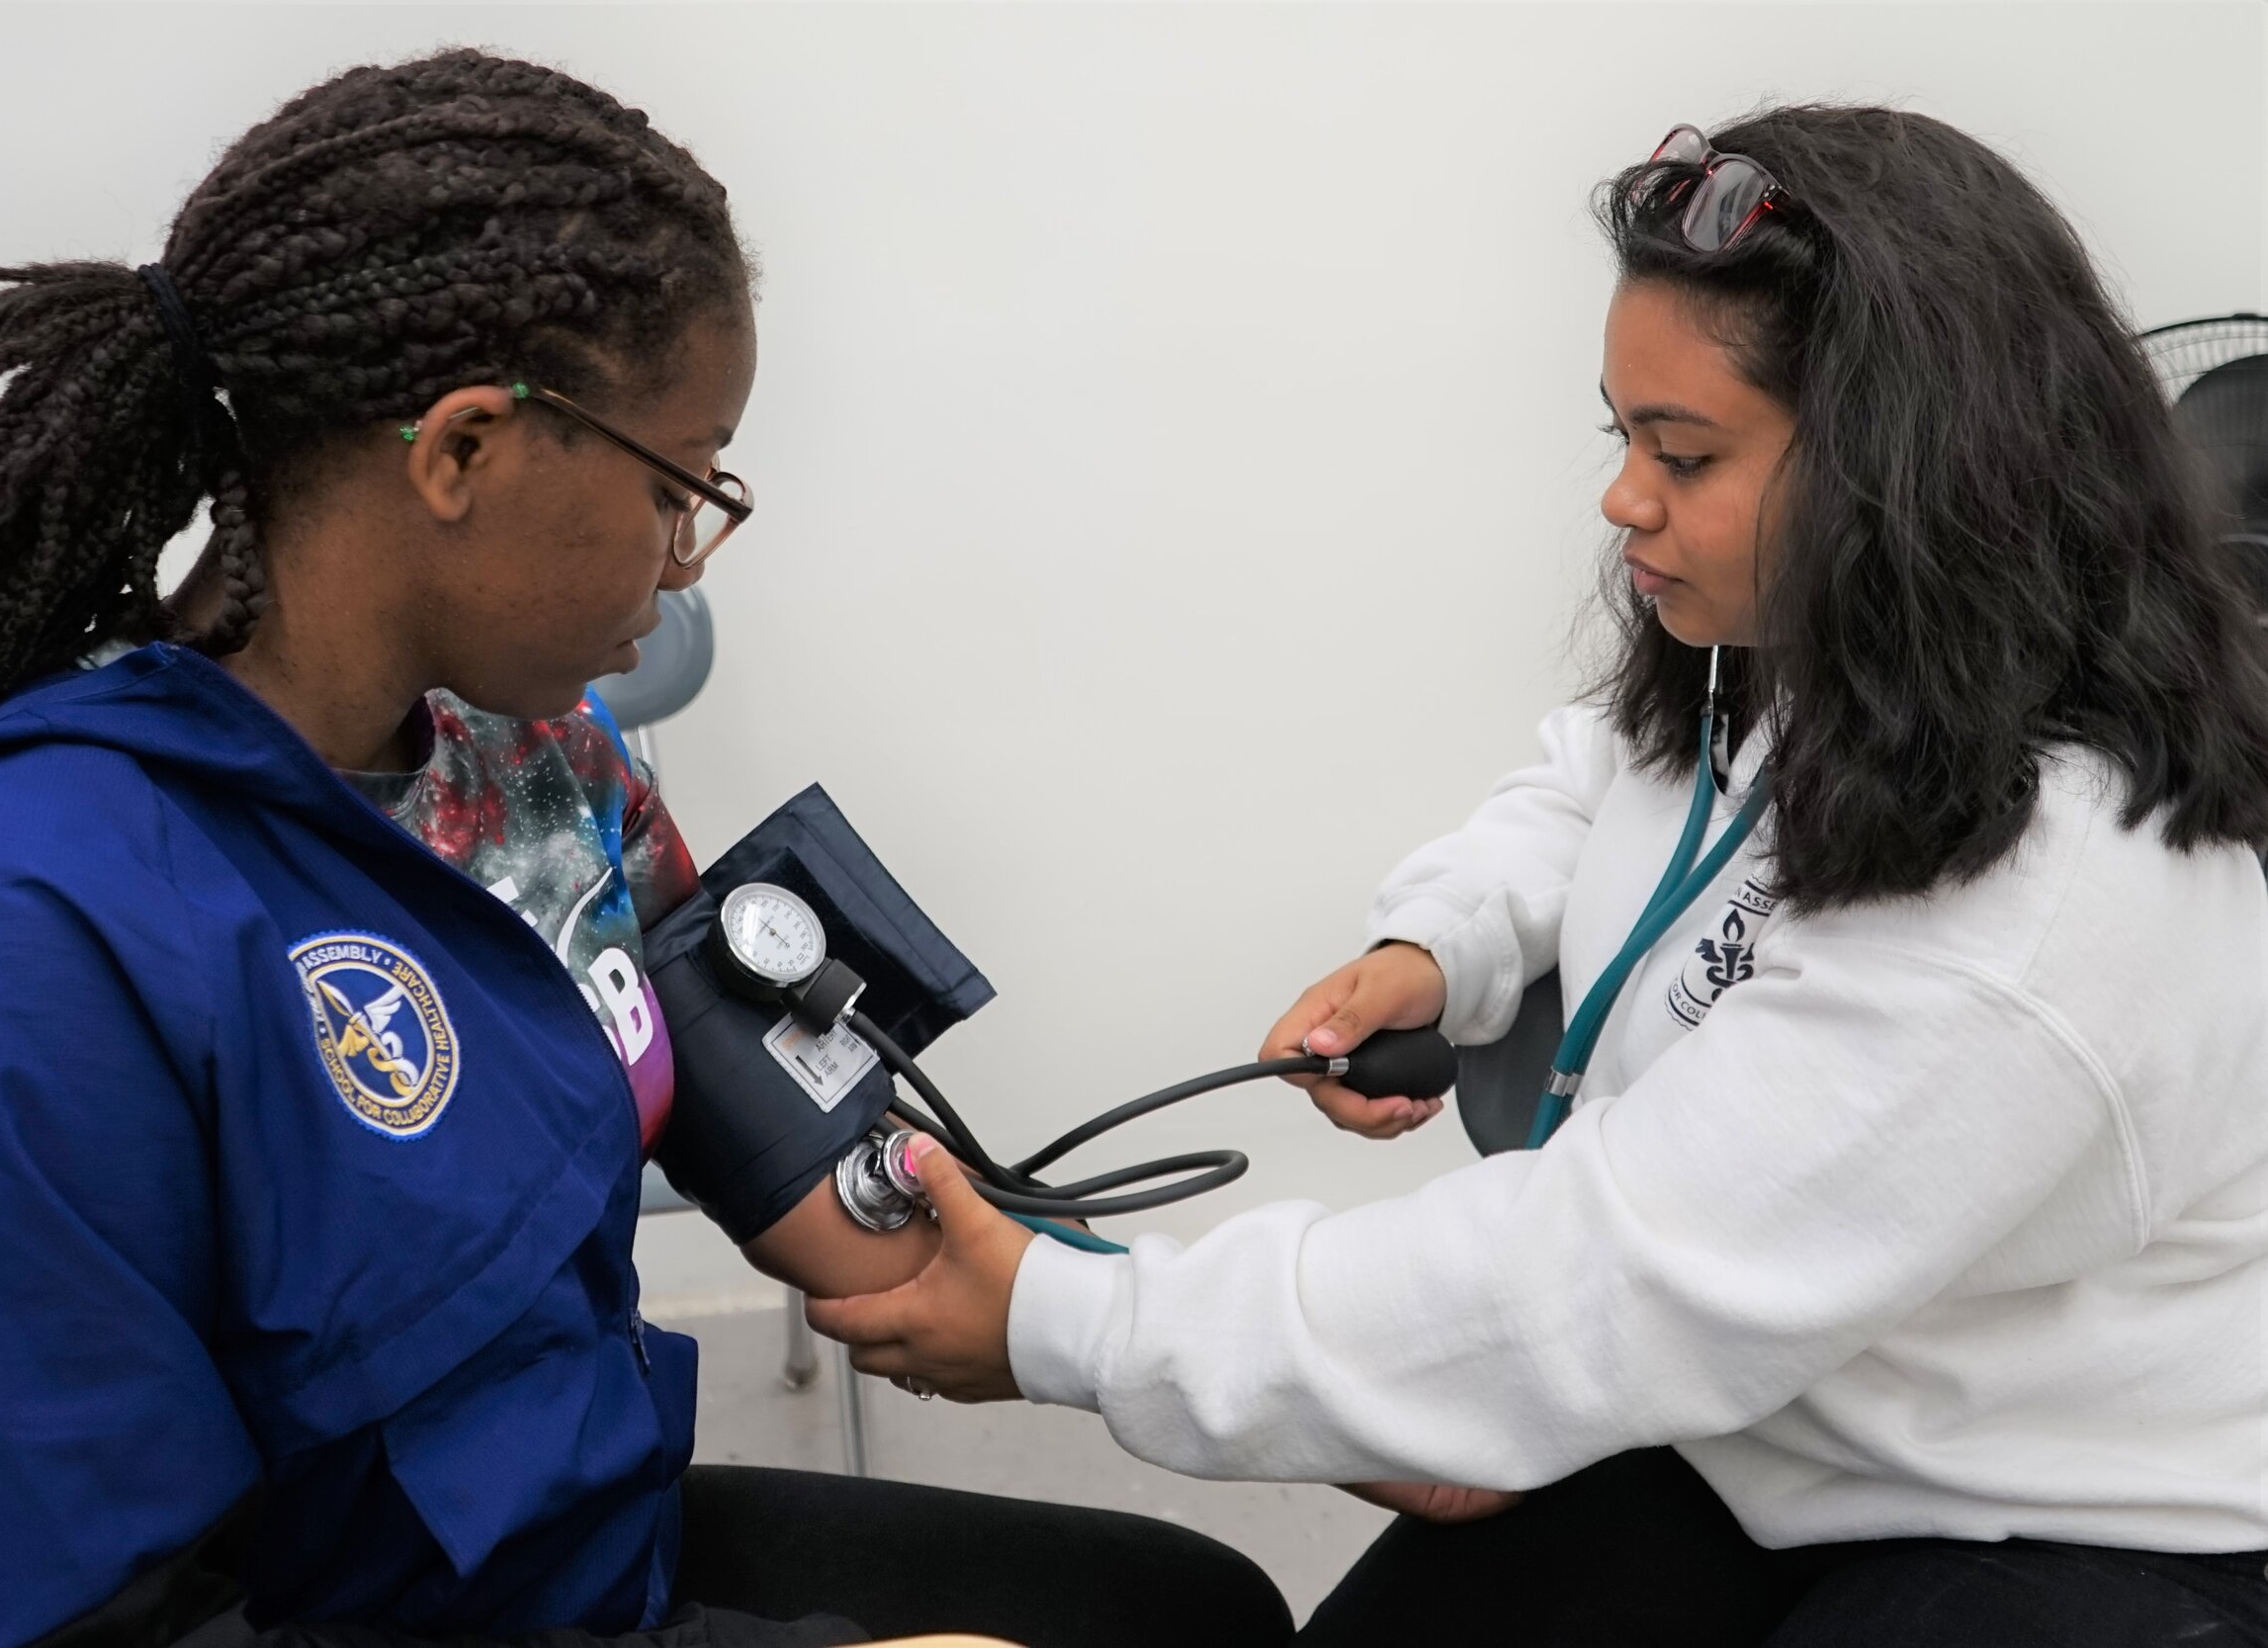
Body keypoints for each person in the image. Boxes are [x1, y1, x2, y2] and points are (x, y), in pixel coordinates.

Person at [0, 49, 1292, 1648]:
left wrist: (1299, 1351)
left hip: (579, 1548)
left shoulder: (535, 774)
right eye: (681, 487)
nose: (687, 560)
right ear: (461, 453)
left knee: (1184, 1611)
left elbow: (855, 1197)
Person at [809, 105, 2268, 1645]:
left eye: (1684, 453)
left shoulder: (2046, 910)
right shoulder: (1807, 660)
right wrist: (1446, 943)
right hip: (1767, 1431)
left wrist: (1074, 1321)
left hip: (2082, 1528)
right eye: (1621, 434)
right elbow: (1602, 782)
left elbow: (1609, 1276)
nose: (1624, 499)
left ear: (1912, 475)